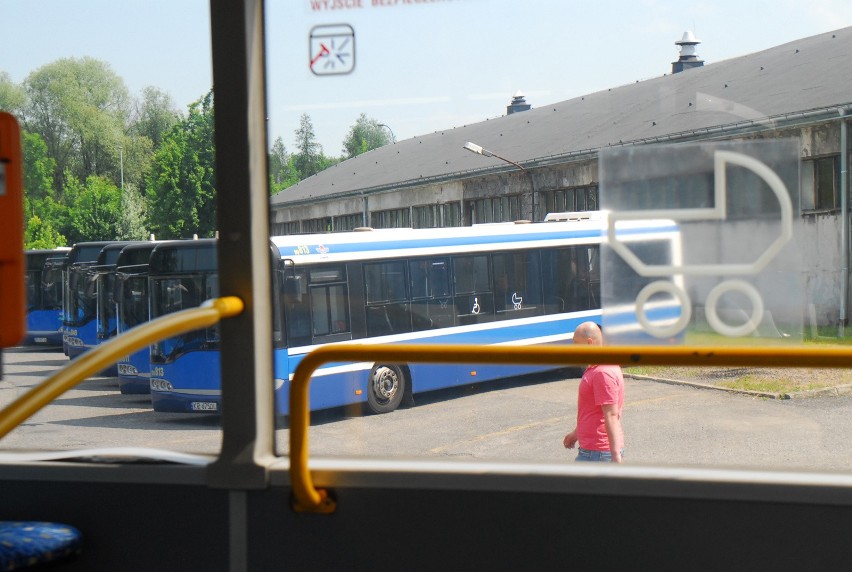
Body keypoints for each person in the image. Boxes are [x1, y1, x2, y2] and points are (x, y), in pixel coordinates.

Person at [562, 321, 624, 463]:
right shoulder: (595, 367)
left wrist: (615, 457)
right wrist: (576, 434)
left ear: (589, 343)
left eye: (576, 343)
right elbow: (593, 411)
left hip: (599, 454)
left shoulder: (602, 372)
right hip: (594, 451)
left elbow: (611, 415)